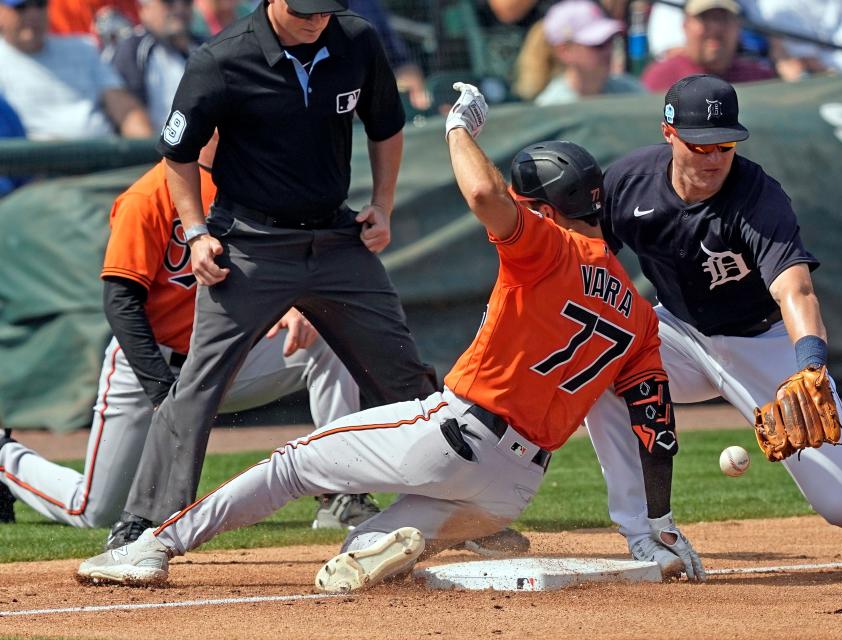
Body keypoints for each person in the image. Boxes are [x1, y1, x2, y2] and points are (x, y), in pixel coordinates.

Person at [76, 82, 706, 589]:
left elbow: (484, 191)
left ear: (542, 208)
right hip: (514, 487)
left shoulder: (548, 246)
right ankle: (379, 548)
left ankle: (150, 547)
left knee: (292, 467)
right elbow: (656, 429)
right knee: (355, 557)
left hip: (453, 434)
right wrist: (658, 525)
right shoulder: (639, 315)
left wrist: (459, 125)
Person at [99, 0, 444, 551]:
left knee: (404, 374)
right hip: (251, 243)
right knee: (197, 387)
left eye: (327, 8)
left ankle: (458, 503)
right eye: (306, 9)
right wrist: (195, 231)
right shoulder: (222, 59)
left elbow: (387, 123)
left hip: (336, 239)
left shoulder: (355, 39)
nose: (317, 19)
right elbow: (178, 152)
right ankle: (145, 528)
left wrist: (383, 203)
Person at [585, 74, 842, 570]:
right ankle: (643, 532)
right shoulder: (630, 181)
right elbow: (587, 257)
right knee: (601, 364)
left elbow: (794, 289)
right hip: (679, 333)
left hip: (764, 341)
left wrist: (810, 365)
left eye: (726, 144)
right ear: (668, 134)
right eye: (701, 145)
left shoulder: (757, 197)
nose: (715, 158)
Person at [0, 137, 367, 534]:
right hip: (149, 367)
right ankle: (5, 459)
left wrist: (298, 303)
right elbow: (121, 302)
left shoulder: (256, 186)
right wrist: (162, 394)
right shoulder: (147, 197)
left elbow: (290, 261)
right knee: (94, 510)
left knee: (326, 341)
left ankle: (341, 493)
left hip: (227, 358)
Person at [0, 0, 152, 140]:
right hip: (37, 163)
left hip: (105, 157)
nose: (33, 14)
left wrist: (146, 150)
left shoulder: (83, 47)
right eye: (20, 7)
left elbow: (124, 107)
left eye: (40, 4)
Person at [640, 0, 776, 92]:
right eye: (705, 18)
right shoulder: (662, 78)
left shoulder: (759, 80)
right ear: (685, 24)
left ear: (738, 25)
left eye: (723, 18)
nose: (715, 28)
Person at [107, 0, 203, 131]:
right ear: (144, 8)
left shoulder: (206, 46)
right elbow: (127, 115)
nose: (179, 8)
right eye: (168, 2)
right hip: (158, 147)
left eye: (187, 2)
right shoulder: (133, 50)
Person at [534, 0, 642, 106]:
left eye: (610, 41)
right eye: (597, 45)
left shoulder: (630, 90)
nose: (608, 51)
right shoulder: (552, 107)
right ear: (564, 51)